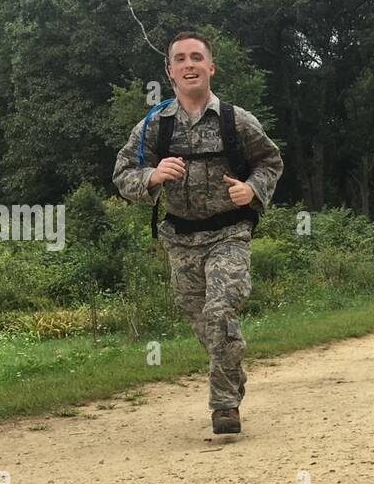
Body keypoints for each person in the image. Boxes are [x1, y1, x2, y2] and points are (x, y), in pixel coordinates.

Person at [113, 30, 283, 437]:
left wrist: (252, 190)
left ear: (211, 67)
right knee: (205, 325)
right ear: (170, 71)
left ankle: (224, 406)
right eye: (180, 59)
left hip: (230, 234)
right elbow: (122, 174)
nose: (189, 64)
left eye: (196, 57)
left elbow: (270, 162)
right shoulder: (155, 125)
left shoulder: (236, 121)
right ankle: (232, 375)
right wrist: (152, 176)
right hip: (181, 240)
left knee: (220, 311)